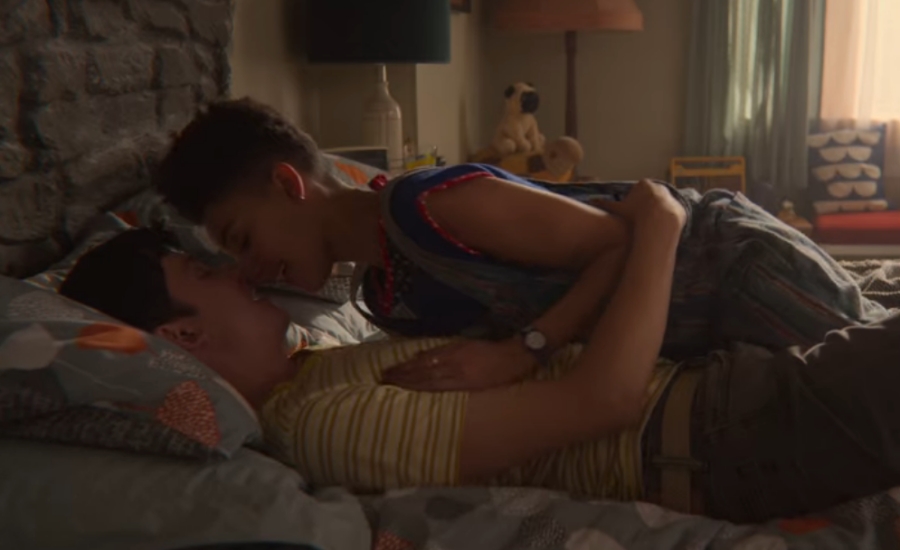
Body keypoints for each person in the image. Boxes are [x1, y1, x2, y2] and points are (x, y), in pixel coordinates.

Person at [59, 190, 900, 525]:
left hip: (730, 386)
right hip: (727, 434)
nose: (243, 276)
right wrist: (663, 227)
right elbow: (603, 403)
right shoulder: (320, 422)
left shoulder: (327, 357)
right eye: (211, 274)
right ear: (183, 338)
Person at [150, 98, 889, 392]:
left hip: (730, 267)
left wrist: (527, 349)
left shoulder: (428, 205)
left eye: (241, 239)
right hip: (703, 334)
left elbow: (619, 245)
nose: (250, 270)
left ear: (288, 184)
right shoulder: (381, 293)